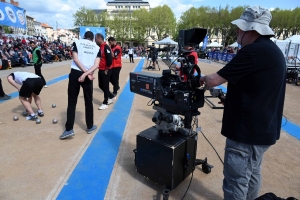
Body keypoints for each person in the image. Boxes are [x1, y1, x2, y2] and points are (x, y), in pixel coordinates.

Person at [199, 6, 286, 200]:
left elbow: (213, 80)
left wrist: (200, 78)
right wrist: (231, 100)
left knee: (236, 181)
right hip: (263, 130)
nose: (237, 31)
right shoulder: (272, 50)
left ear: (251, 29)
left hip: (246, 133)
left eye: (240, 28)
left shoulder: (253, 51)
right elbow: (257, 90)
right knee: (252, 175)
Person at [59, 31, 100, 140]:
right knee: (88, 101)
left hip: (76, 72)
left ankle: (69, 129)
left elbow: (75, 59)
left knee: (72, 102)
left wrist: (83, 72)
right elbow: (96, 64)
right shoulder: (96, 47)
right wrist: (87, 73)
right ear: (92, 39)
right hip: (89, 75)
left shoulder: (77, 42)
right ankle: (90, 126)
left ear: (84, 37)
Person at [94, 33, 115, 110]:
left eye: (96, 39)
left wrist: (106, 69)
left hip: (106, 70)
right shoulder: (100, 47)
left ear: (99, 38)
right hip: (101, 69)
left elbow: (109, 59)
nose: (95, 41)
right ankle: (111, 96)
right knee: (100, 85)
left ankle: (105, 103)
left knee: (105, 87)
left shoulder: (106, 47)